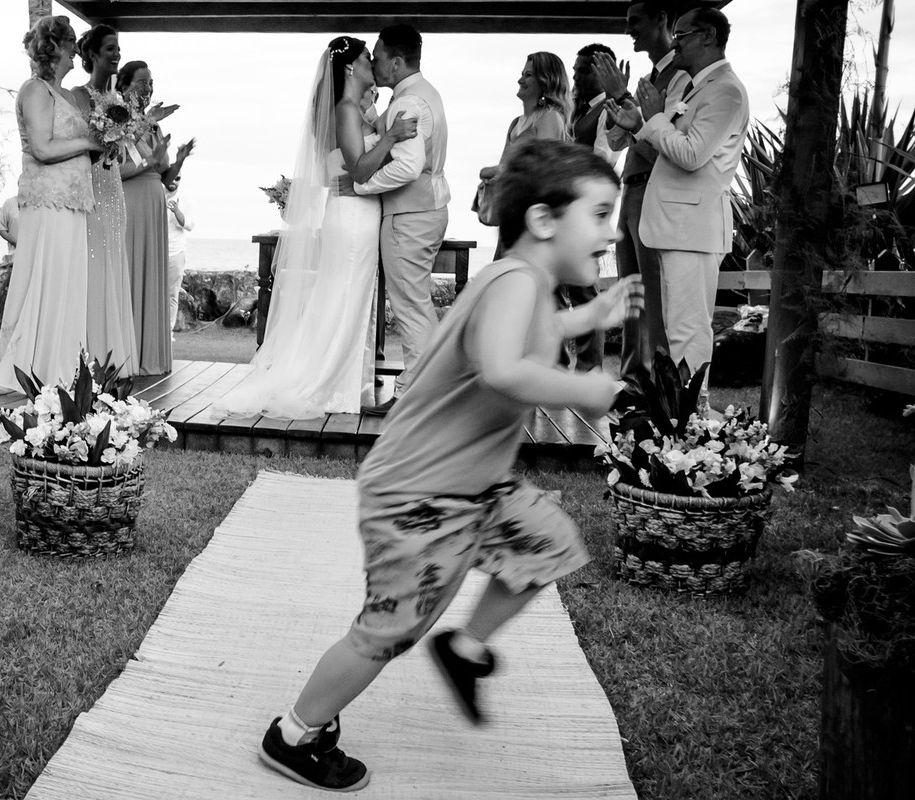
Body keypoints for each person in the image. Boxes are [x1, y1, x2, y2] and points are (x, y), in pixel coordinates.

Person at [257, 139, 643, 792]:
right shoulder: (516, 280)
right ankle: (294, 732)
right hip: (418, 490)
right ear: (546, 221)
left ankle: (464, 651)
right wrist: (593, 391)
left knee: (547, 543)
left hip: (476, 484)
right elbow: (502, 366)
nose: (611, 233)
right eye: (601, 215)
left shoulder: (527, 283)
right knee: (390, 628)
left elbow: (533, 335)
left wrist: (591, 315)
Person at [211, 36, 417, 419]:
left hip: (356, 212)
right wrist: (389, 137)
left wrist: (377, 124)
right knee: (342, 298)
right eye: (366, 58)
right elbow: (358, 168)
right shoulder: (344, 109)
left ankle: (341, 383)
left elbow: (338, 165)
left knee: (346, 299)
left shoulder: (356, 109)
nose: (373, 62)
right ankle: (327, 384)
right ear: (350, 67)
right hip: (353, 216)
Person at [606, 5, 748, 388]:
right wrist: (638, 123)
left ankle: (691, 429)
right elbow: (666, 143)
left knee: (688, 332)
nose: (676, 42)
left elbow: (691, 155)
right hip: (672, 228)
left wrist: (652, 121)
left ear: (709, 37)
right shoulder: (693, 85)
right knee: (669, 329)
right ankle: (672, 423)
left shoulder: (726, 92)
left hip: (693, 229)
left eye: (682, 35)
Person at [339, 24, 450, 417]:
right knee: (415, 302)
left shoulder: (407, 103)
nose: (376, 62)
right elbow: (380, 137)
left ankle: (413, 396)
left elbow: (407, 166)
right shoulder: (421, 93)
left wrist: (363, 187)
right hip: (426, 209)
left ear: (398, 62)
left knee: (410, 305)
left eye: (380, 56)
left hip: (410, 214)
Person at [0, 15, 102, 393]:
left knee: (67, 283)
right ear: (56, 48)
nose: (77, 52)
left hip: (72, 203)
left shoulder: (68, 96)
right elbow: (42, 148)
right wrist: (91, 143)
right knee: (46, 279)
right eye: (72, 44)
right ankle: (29, 368)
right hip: (48, 202)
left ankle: (60, 366)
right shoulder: (35, 90)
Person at [593, 1, 687, 379]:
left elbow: (664, 142)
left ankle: (662, 387)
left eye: (636, 22)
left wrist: (625, 102)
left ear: (662, 18)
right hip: (631, 189)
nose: (629, 29)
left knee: (653, 293)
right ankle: (634, 382)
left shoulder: (681, 77)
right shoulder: (651, 77)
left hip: (655, 188)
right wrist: (620, 99)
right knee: (631, 292)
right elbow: (619, 141)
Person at [116, 60, 194, 375]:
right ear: (122, 87)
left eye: (151, 83)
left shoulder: (154, 126)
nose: (148, 88)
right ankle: (129, 354)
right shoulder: (118, 121)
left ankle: (150, 355)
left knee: (152, 276)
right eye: (141, 82)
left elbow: (164, 177)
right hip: (130, 201)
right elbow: (119, 168)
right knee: (132, 271)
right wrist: (152, 153)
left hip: (154, 201)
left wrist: (179, 159)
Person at [72, 24, 139, 376]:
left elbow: (124, 154)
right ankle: (88, 351)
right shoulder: (76, 97)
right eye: (111, 48)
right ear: (93, 53)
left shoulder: (118, 101)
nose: (117, 54)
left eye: (118, 48)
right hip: (90, 186)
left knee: (113, 260)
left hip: (113, 186)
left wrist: (123, 136)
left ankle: (114, 354)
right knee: (93, 261)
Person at [560, 42, 620, 373]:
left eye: (582, 70)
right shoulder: (580, 111)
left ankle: (590, 368)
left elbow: (602, 163)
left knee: (585, 291)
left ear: (600, 72)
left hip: (587, 213)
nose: (575, 76)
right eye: (575, 69)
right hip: (569, 210)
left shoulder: (607, 111)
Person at [473, 51, 571, 239]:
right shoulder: (515, 123)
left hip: (533, 221)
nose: (520, 80)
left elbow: (543, 170)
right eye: (521, 74)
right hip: (513, 215)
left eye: (528, 75)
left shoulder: (549, 118)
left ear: (545, 81)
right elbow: (504, 171)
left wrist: (490, 171)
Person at [164, 174, 193, 337]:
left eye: (178, 178)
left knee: (172, 294)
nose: (174, 181)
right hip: (156, 250)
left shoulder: (186, 199)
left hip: (175, 253)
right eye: (171, 177)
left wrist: (176, 211)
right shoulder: (156, 195)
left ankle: (168, 332)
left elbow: (189, 225)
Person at [0, 195, 18, 266]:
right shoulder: (9, 203)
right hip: (14, 258)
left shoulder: (41, 204)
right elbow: (0, 228)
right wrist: (15, 243)